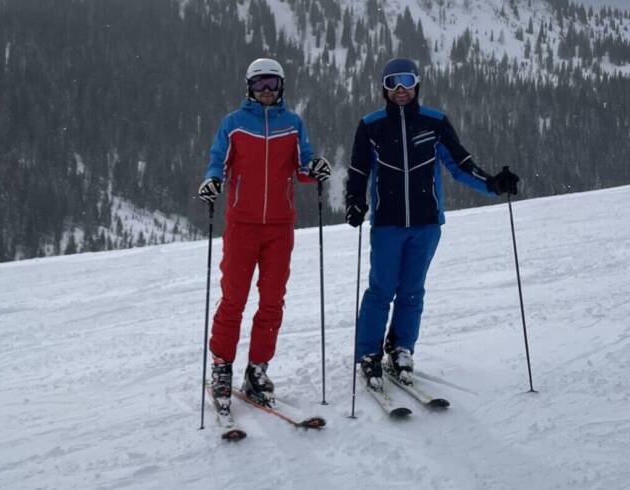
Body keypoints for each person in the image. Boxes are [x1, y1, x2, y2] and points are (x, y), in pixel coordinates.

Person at [345, 57, 519, 391]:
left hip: (426, 224)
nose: (400, 89)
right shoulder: (371, 125)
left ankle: (401, 349)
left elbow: (461, 165)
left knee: (412, 291)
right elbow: (358, 171)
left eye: (407, 81)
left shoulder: (434, 122)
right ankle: (369, 354)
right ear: (384, 87)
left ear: (417, 84)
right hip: (387, 224)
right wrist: (354, 202)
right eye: (393, 81)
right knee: (380, 290)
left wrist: (493, 183)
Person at [198, 58, 331, 412]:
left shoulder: (293, 124)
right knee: (234, 300)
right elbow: (218, 163)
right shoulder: (235, 124)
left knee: (272, 302)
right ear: (249, 88)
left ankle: (257, 370)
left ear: (282, 86)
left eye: (272, 83)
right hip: (241, 226)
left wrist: (314, 169)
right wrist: (212, 181)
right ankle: (222, 367)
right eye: (259, 84)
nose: (266, 91)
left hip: (279, 227)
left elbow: (302, 166)